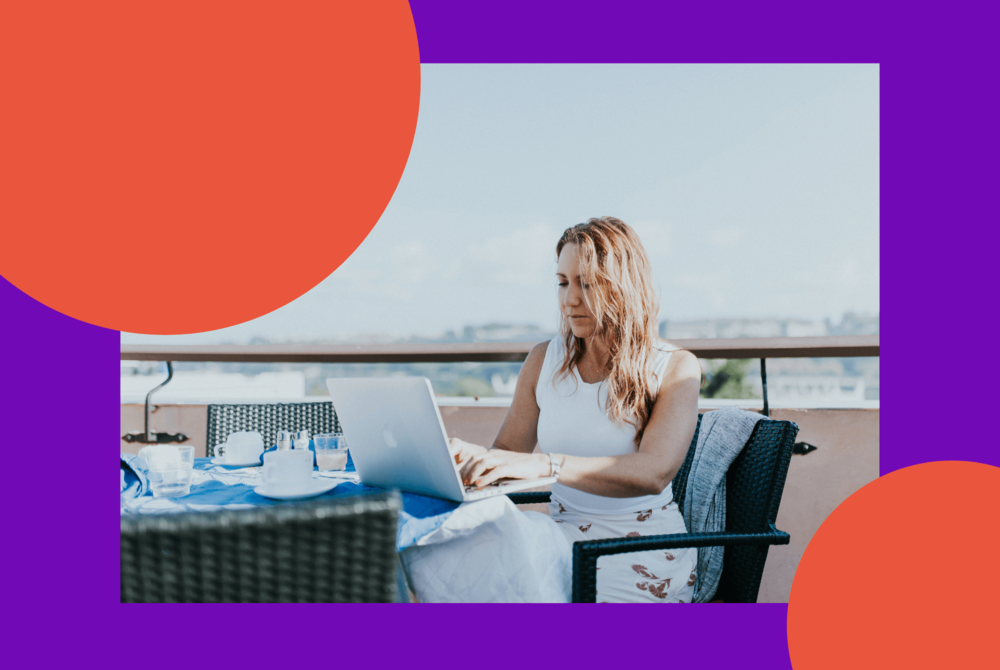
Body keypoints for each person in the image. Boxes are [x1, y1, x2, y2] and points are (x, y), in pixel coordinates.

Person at [409, 216, 702, 603]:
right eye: (563, 283)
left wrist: (549, 465)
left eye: (587, 283)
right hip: (560, 542)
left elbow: (654, 472)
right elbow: (510, 458)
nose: (570, 300)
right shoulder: (543, 360)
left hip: (641, 553)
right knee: (441, 559)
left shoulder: (675, 367)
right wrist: (472, 460)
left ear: (623, 288)